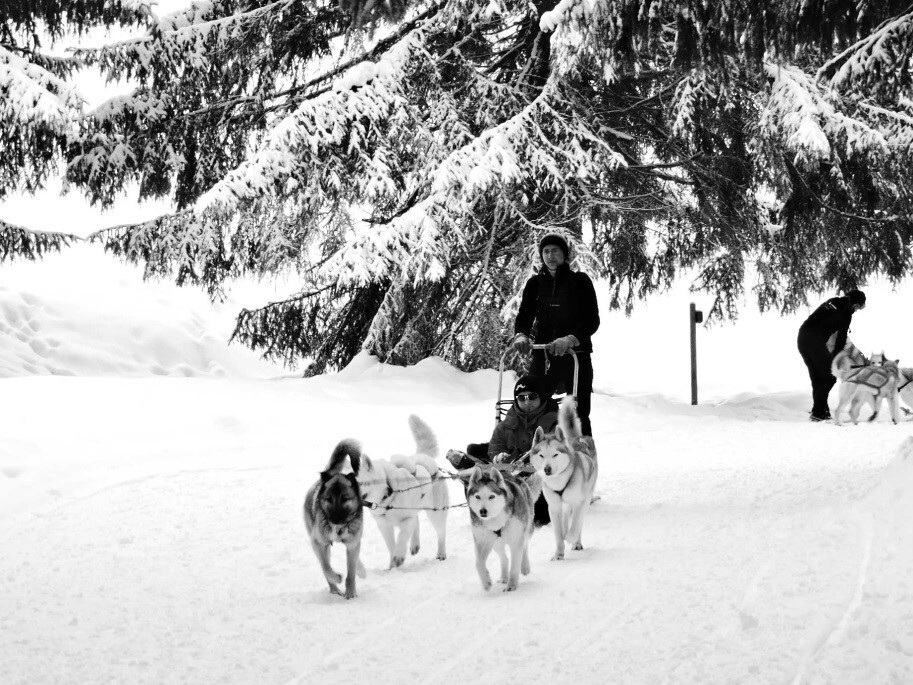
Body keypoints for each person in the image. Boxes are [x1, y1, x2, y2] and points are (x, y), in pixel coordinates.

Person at [513, 233, 600, 436]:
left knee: (578, 410)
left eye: (555, 251)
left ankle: (582, 456)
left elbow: (592, 320)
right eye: (546, 251)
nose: (550, 256)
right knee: (532, 404)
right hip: (544, 354)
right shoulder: (534, 284)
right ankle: (532, 454)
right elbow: (525, 315)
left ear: (564, 254)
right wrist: (521, 335)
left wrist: (570, 339)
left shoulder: (580, 281)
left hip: (576, 354)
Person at [446, 374, 557, 525]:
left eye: (532, 397)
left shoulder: (555, 422)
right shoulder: (506, 424)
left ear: (541, 397)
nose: (527, 402)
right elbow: (495, 445)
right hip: (509, 470)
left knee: (540, 516)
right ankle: (476, 483)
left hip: (541, 475)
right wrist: (498, 456)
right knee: (474, 450)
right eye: (521, 398)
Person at [797, 289, 866, 422]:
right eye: (858, 308)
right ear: (855, 305)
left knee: (817, 377)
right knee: (830, 375)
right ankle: (818, 412)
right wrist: (836, 359)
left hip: (802, 337)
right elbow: (841, 338)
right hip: (815, 340)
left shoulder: (833, 301)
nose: (856, 311)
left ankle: (822, 411)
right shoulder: (847, 311)